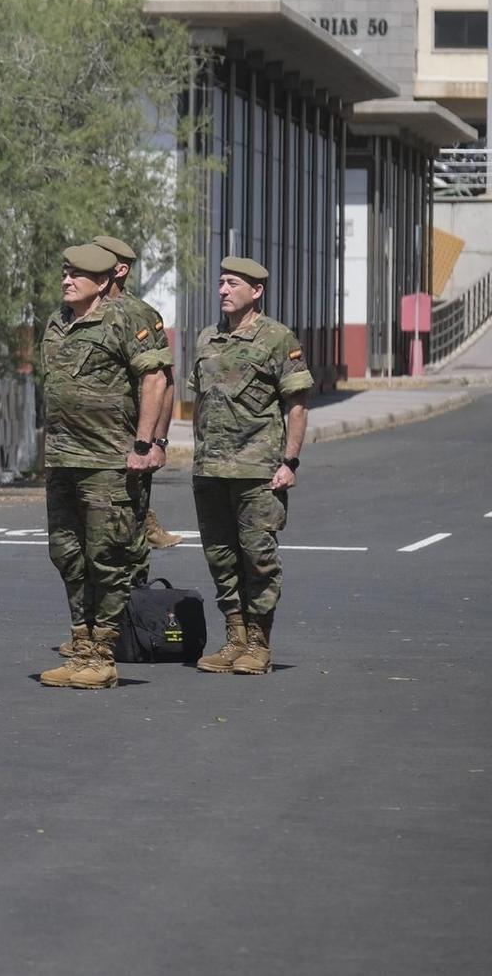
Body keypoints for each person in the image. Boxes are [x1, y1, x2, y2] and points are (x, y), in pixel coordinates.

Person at [36, 243, 172, 689]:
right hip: (64, 458)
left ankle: (103, 653)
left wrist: (146, 443)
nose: (67, 280)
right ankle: (80, 644)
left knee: (107, 558)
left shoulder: (126, 318)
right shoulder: (58, 321)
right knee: (67, 554)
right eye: (65, 273)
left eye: (77, 275)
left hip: (109, 460)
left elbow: (155, 379)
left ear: (102, 280)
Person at [189, 256, 311, 677]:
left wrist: (290, 461)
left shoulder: (278, 338)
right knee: (221, 557)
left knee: (258, 557)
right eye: (221, 283)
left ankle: (259, 642)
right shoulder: (207, 339)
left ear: (255, 291)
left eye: (232, 283)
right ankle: (235, 638)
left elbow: (296, 404)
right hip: (210, 470)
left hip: (258, 470)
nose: (223, 290)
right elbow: (199, 401)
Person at [92, 235, 183, 571]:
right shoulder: (72, 313)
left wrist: (156, 443)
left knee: (125, 547)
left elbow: (162, 382)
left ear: (119, 269)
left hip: (125, 446)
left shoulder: (139, 315)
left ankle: (133, 620)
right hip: (82, 448)